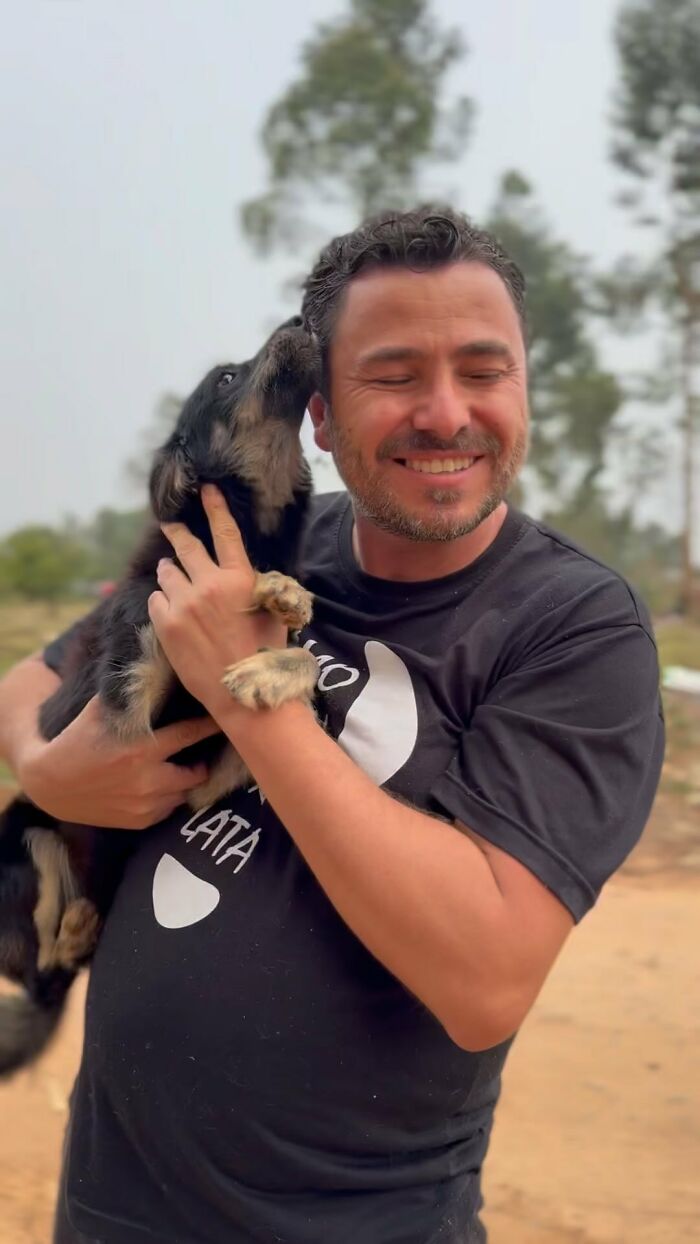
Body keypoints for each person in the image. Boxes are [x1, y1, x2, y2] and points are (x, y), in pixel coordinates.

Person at [0, 207, 664, 1244]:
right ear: (319, 413)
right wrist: (56, 769)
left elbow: (484, 976)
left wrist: (245, 697)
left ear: (523, 387)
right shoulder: (247, 538)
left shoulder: (571, 627)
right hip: (108, 1212)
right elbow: (27, 684)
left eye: (483, 370)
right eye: (394, 374)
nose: (445, 412)